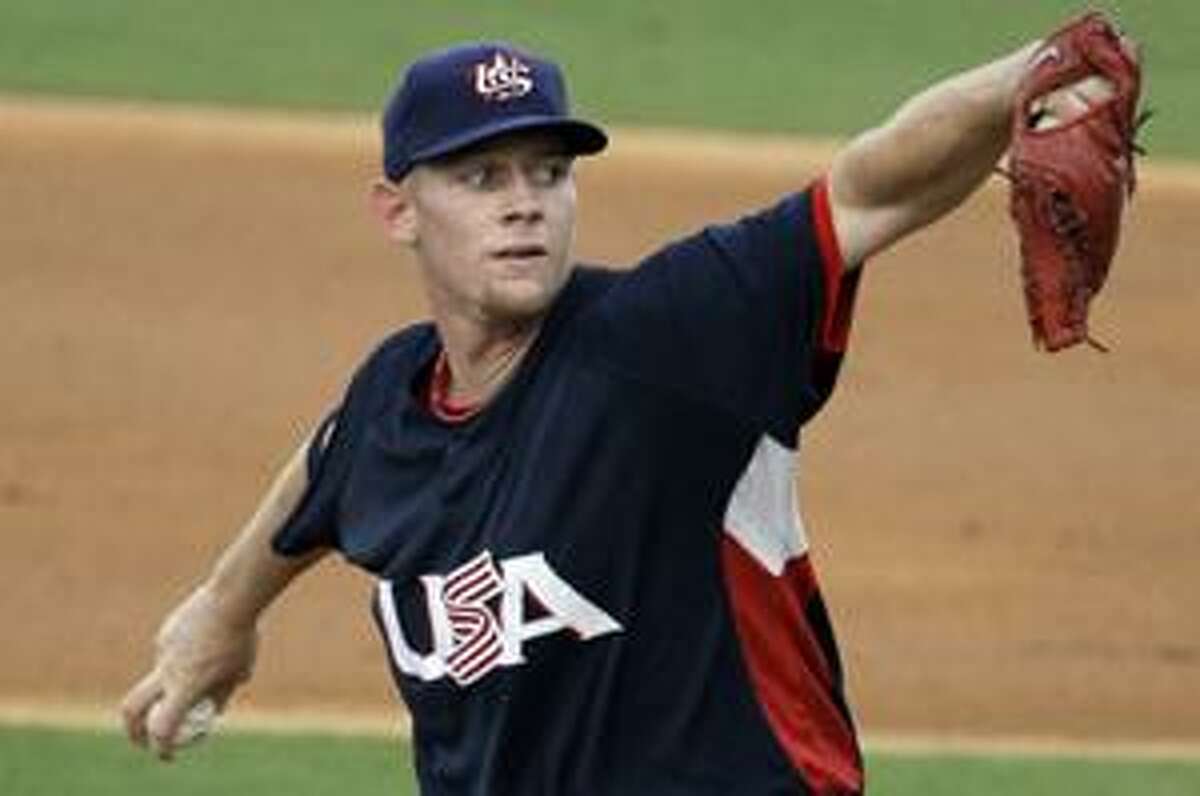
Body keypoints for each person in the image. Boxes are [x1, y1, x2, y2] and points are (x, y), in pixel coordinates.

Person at [120, 34, 1100, 796]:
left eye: (547, 172)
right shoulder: (393, 397)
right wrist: (225, 607)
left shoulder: (667, 338)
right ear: (398, 211)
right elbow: (333, 459)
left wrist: (1035, 70)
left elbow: (871, 189)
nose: (524, 205)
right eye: (481, 177)